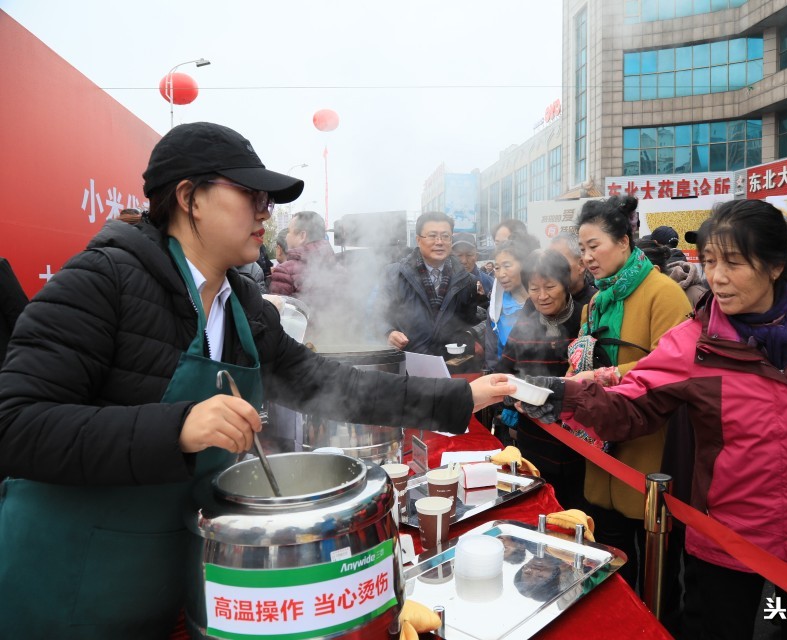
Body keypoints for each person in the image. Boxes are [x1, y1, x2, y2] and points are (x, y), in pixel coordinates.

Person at [0, 122, 513, 639]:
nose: (266, 212)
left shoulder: (241, 303)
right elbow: (15, 424)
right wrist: (177, 426)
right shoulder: (102, 280)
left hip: (167, 578)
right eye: (252, 195)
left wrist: (458, 396)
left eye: (268, 200)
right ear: (189, 198)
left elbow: (321, 382)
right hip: (68, 583)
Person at [514, 199, 787, 639]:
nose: (717, 277)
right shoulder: (696, 340)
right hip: (728, 537)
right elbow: (634, 403)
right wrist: (566, 395)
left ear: (775, 265)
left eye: (733, 262)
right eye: (709, 261)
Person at [568, 195, 691, 594]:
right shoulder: (595, 302)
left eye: (594, 246)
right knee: (613, 571)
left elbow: (673, 367)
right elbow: (583, 357)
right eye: (582, 248)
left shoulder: (663, 293)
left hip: (649, 450)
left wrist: (603, 376)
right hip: (602, 449)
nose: (587, 257)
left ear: (623, 241)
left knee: (658, 580)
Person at [494, 249, 585, 509]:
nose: (542, 296)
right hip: (534, 442)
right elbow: (504, 372)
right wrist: (512, 396)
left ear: (565, 284)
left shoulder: (585, 319)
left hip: (580, 447)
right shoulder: (524, 325)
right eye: (534, 288)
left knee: (577, 512)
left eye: (550, 287)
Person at [378, 211, 481, 357]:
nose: (439, 242)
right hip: (407, 362)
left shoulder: (467, 281)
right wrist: (388, 332)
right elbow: (376, 315)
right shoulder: (394, 274)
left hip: (450, 364)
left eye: (445, 236)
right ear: (418, 240)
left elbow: (471, 322)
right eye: (432, 236)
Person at [484, 233, 539, 370]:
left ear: (524, 266)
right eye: (497, 268)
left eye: (507, 266)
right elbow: (492, 356)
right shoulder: (496, 311)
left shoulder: (542, 302)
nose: (501, 274)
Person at [268, 210, 336, 298]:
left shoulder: (284, 271)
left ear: (302, 236)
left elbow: (277, 305)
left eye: (289, 231)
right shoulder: (339, 266)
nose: (287, 236)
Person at [549, 232, 597, 307]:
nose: (550, 268)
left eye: (558, 260)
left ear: (581, 264)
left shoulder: (598, 303)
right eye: (549, 260)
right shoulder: (541, 302)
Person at [452, 231, 494, 301]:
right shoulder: (441, 283)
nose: (464, 261)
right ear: (451, 257)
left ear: (476, 256)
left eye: (469, 255)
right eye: (459, 255)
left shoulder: (490, 283)